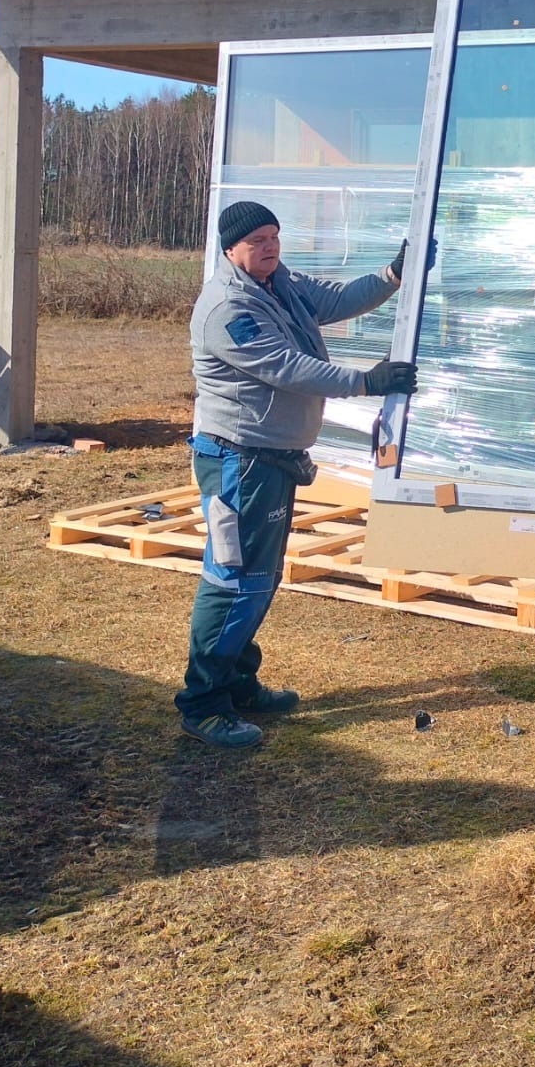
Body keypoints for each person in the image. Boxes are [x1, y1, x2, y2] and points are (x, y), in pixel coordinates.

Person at [177, 201, 421, 750]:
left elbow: (335, 300)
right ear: (230, 248)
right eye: (257, 240)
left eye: (274, 237)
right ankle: (203, 704)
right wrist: (366, 381)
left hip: (270, 458)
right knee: (235, 579)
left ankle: (237, 685)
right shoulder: (226, 308)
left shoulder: (277, 282)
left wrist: (394, 275)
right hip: (239, 461)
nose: (269, 247)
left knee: (259, 578)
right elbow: (285, 367)